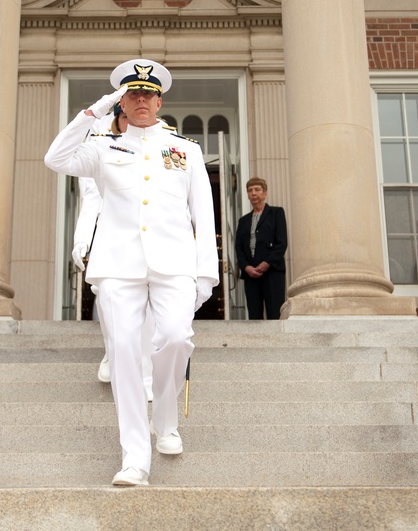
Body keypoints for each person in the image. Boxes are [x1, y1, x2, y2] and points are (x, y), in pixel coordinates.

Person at [45, 59, 218, 487]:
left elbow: (204, 216)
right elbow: (56, 158)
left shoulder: (187, 149)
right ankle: (135, 458)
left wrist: (205, 275)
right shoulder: (103, 147)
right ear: (123, 101)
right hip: (118, 265)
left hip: (175, 264)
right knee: (123, 352)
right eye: (132, 94)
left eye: (148, 94)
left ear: (160, 100)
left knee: (176, 338)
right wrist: (96, 110)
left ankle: (164, 417)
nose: (141, 100)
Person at [73, 106, 154, 400]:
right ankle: (111, 351)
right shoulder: (102, 149)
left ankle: (145, 368)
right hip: (112, 237)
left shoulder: (160, 145)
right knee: (108, 299)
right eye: (124, 117)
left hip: (149, 241)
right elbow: (91, 200)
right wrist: (82, 239)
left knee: (147, 309)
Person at [235, 177, 287, 320]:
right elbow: (238, 248)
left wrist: (266, 263)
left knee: (274, 313)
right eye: (250, 190)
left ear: (264, 193)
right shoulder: (243, 220)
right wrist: (246, 267)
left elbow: (282, 243)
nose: (253, 193)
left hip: (272, 271)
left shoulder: (276, 213)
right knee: (254, 315)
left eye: (257, 189)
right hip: (251, 274)